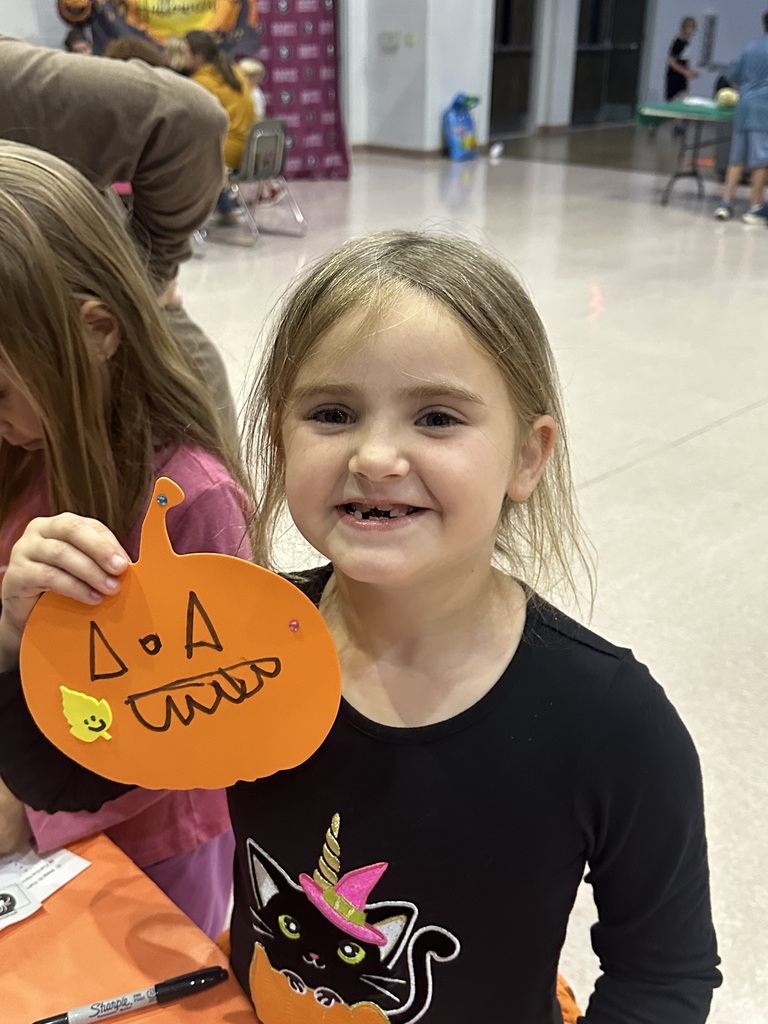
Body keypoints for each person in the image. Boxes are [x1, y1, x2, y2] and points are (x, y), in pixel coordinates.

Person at [0, 232, 721, 1022]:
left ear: (528, 455)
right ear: (279, 440)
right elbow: (66, 778)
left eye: (438, 417)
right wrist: (24, 640)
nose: (375, 456)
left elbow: (663, 975)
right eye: (333, 413)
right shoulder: (243, 645)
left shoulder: (613, 722)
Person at [0, 141, 254, 940]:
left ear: (98, 332)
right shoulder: (18, 451)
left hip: (150, 853)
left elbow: (208, 723)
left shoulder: (194, 498)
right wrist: (10, 623)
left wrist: (31, 814)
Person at [0, 35, 238, 438]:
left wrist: (143, 280)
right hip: (43, 388)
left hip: (119, 377)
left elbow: (187, 119)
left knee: (193, 491)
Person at [185, 30, 256, 221]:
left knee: (184, 153)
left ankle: (182, 219)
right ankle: (226, 209)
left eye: (185, 52)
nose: (182, 57)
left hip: (228, 152)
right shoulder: (235, 71)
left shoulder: (201, 82)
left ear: (198, 56)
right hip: (252, 148)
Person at [714, 10, 768, 222]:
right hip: (763, 110)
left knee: (737, 158)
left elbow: (733, 77)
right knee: (761, 161)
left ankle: (725, 203)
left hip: (744, 106)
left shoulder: (751, 47)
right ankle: (754, 207)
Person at [666, 16, 699, 102]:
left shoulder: (686, 43)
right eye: (689, 28)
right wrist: (685, 72)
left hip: (681, 77)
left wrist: (689, 71)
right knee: (676, 99)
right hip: (675, 77)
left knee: (684, 98)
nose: (691, 32)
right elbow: (672, 62)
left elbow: (683, 60)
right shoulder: (679, 42)